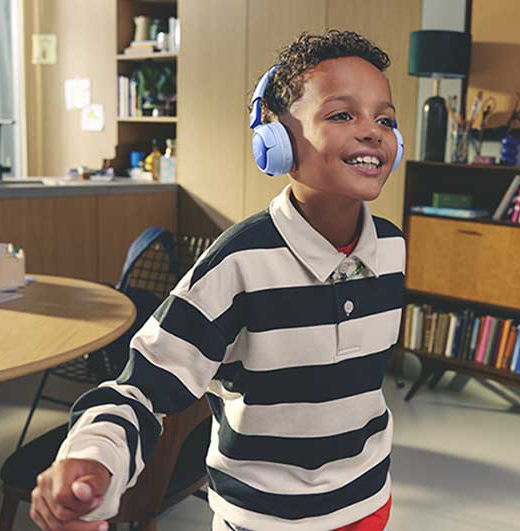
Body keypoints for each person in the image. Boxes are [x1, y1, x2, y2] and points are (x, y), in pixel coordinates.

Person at [30, 29, 406, 531]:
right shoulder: (238, 263)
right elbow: (141, 388)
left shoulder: (393, 247)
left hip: (368, 502)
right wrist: (96, 459)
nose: (373, 131)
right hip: (262, 520)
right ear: (275, 141)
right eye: (342, 114)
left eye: (385, 119)